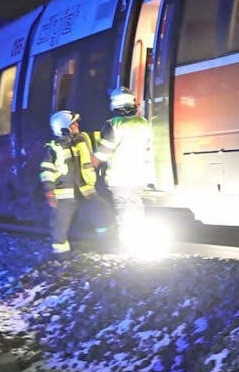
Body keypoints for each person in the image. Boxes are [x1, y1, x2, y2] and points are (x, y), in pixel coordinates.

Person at [39, 109, 107, 254]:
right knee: (60, 224)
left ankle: (105, 244)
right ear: (63, 128)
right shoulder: (53, 148)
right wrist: (49, 190)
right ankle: (61, 253)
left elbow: (103, 137)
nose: (77, 125)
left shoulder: (84, 139)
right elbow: (46, 171)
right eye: (73, 124)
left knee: (102, 212)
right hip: (64, 195)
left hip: (86, 190)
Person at [94, 88, 155, 249]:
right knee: (136, 207)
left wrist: (89, 169)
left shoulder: (113, 125)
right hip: (140, 176)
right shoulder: (144, 123)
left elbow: (101, 154)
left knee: (125, 211)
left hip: (120, 178)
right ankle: (139, 243)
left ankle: (129, 246)